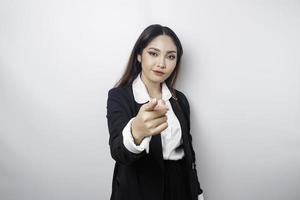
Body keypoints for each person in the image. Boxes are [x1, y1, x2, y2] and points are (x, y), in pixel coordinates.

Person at [106, 24, 204, 200]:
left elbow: (189, 152)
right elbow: (118, 152)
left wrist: (197, 192)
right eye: (153, 53)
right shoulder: (119, 96)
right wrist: (136, 131)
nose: (161, 63)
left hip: (180, 188)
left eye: (171, 56)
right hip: (138, 190)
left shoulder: (179, 100)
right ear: (139, 54)